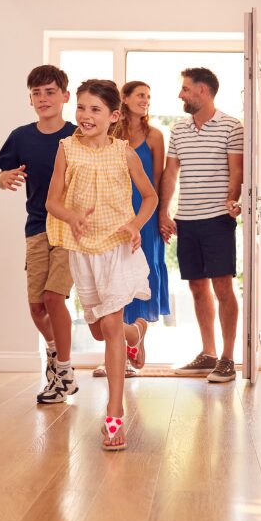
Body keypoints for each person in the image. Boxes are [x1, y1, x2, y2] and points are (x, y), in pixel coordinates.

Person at [46, 79, 156, 450]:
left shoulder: (125, 153)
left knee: (109, 324)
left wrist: (136, 224)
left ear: (114, 116)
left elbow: (150, 197)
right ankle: (134, 335)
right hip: (83, 249)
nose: (85, 116)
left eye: (95, 110)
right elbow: (52, 202)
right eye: (81, 108)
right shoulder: (66, 149)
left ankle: (114, 414)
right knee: (100, 330)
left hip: (117, 247)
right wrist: (72, 216)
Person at [0, 65, 78, 404]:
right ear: (30, 99)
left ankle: (65, 371)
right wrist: (5, 178)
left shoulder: (77, 137)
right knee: (37, 306)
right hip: (36, 227)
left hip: (68, 229)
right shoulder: (20, 136)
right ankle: (56, 356)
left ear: (65, 97)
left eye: (50, 92)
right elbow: (1, 176)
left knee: (55, 298)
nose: (43, 98)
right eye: (37, 93)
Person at [159, 67, 243, 383]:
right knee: (196, 287)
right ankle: (208, 354)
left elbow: (237, 171)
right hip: (187, 219)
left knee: (222, 286)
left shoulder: (232, 126)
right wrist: (164, 213)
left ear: (202, 91)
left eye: (185, 89)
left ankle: (228, 358)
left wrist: (232, 200)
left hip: (217, 219)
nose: (181, 94)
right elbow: (171, 174)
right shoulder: (178, 130)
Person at [93, 81, 170, 379]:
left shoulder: (155, 136)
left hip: (144, 217)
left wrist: (161, 215)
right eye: (140, 95)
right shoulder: (110, 134)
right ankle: (120, 352)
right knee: (112, 279)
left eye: (149, 97)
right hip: (112, 215)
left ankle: (136, 341)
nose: (146, 101)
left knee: (141, 275)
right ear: (123, 99)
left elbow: (158, 181)